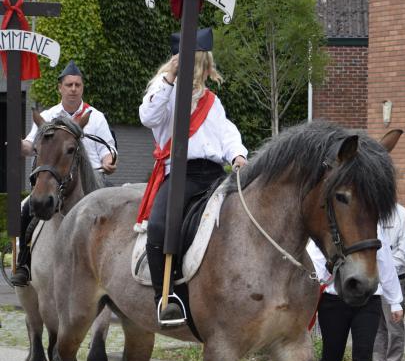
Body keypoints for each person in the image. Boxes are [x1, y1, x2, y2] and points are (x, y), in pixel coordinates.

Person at [137, 27, 247, 326]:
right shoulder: (164, 94)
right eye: (197, 63)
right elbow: (148, 117)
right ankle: (166, 297)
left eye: (203, 63)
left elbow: (227, 133)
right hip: (180, 176)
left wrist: (237, 154)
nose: (201, 70)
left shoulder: (213, 102)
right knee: (160, 227)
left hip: (214, 175)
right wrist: (170, 77)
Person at [10, 60, 117, 287]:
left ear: (82, 88)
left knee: (116, 214)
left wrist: (109, 161)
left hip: (92, 180)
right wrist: (18, 145)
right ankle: (24, 263)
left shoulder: (95, 117)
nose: (73, 89)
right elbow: (30, 145)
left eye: (77, 85)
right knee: (25, 209)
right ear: (60, 88)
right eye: (69, 84)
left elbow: (109, 149)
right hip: (55, 180)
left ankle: (115, 269)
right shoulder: (47, 116)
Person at [307, 232, 403, 361]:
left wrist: (395, 300)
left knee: (363, 357)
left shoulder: (372, 225)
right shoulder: (330, 224)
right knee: (331, 357)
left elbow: (384, 261)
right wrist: (328, 267)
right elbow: (314, 266)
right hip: (334, 300)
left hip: (368, 300)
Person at [372, 204, 405, 361]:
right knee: (377, 324)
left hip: (395, 278)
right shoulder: (372, 211)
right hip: (373, 278)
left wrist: (386, 269)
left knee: (393, 324)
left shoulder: (402, 215)